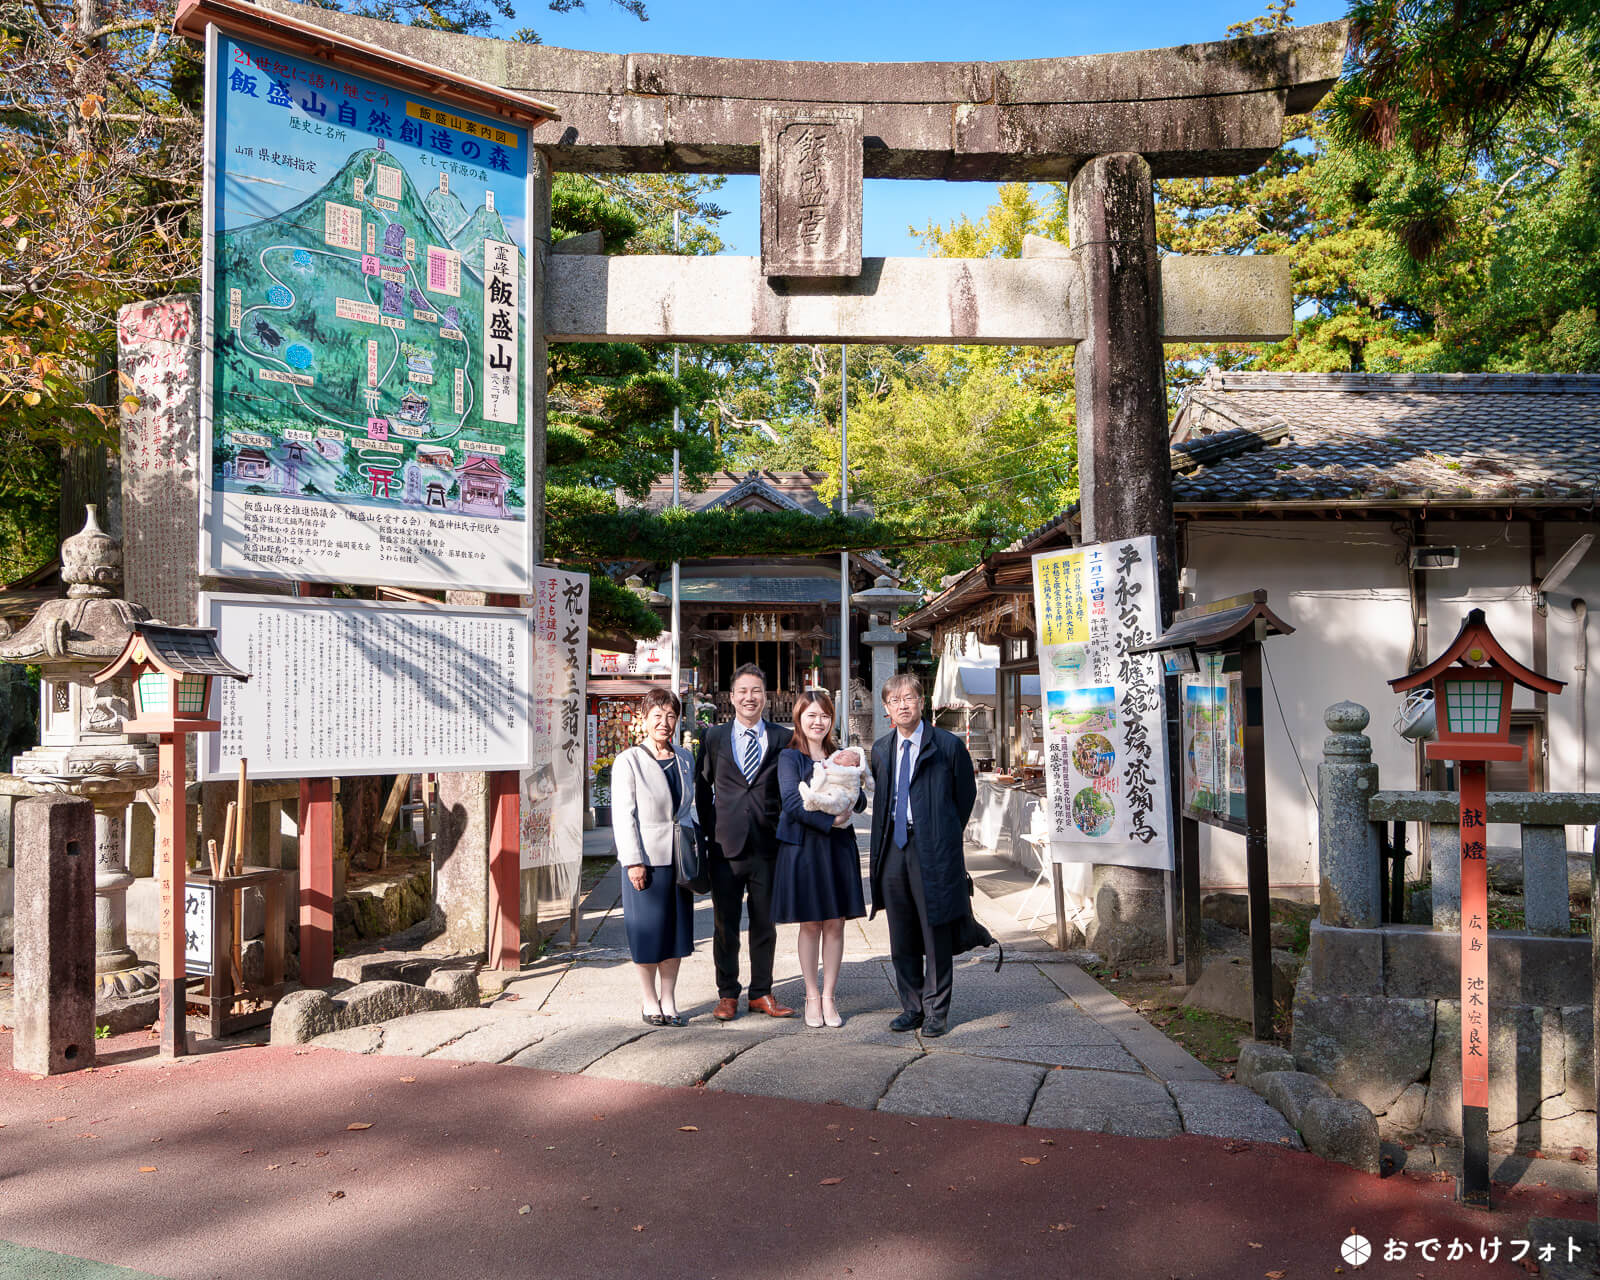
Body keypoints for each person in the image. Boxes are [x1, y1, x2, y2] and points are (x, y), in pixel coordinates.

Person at [868, 672, 978, 1038]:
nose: (902, 705)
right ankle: (911, 1006)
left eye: (908, 698)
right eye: (894, 700)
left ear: (921, 701)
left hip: (932, 848)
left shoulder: (946, 746)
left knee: (935, 932)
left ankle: (936, 1010)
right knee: (901, 934)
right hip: (893, 849)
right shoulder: (881, 750)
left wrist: (943, 832)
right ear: (886, 708)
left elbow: (964, 797)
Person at [694, 664, 795, 1020]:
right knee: (725, 924)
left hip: (768, 846)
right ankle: (727, 994)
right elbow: (702, 789)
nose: (749, 697)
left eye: (756, 691)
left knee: (765, 923)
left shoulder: (783, 738)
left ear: (765, 697)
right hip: (725, 846)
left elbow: (791, 789)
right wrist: (712, 831)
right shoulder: (714, 738)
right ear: (732, 697)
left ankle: (762, 992)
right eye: (743, 691)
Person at [772, 690, 867, 1028]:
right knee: (811, 923)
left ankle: (830, 996)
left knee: (836, 922)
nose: (818, 722)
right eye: (811, 715)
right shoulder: (789, 757)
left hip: (838, 849)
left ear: (831, 720)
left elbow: (862, 799)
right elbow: (791, 803)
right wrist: (832, 820)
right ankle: (811, 996)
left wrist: (850, 806)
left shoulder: (843, 755)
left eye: (824, 716)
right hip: (804, 849)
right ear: (799, 718)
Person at [611, 688, 697, 1027]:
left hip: (679, 858)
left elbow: (692, 807)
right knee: (648, 933)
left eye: (671, 715)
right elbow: (623, 815)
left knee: (676, 933)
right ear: (643, 720)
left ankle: (670, 999)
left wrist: (695, 846)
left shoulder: (685, 758)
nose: (665, 722)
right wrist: (633, 860)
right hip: (645, 860)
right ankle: (649, 1000)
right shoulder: (628, 760)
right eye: (657, 716)